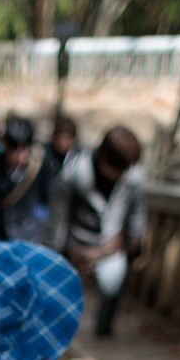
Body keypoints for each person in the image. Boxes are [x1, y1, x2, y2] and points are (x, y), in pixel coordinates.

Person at [43, 125, 147, 338]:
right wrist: (57, 250)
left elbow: (137, 212)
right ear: (103, 156)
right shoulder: (73, 173)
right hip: (76, 243)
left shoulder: (133, 177)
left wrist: (134, 242)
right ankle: (59, 329)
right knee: (64, 291)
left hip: (111, 244)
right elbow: (59, 217)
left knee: (112, 289)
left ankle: (104, 332)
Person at [0, 115, 45, 243]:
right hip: (2, 236)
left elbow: (45, 198)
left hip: (31, 235)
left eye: (25, 149)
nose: (21, 156)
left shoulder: (38, 166)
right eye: (16, 150)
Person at [34, 113, 77, 216]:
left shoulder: (76, 158)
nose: (63, 142)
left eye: (68, 138)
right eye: (61, 137)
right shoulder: (43, 155)